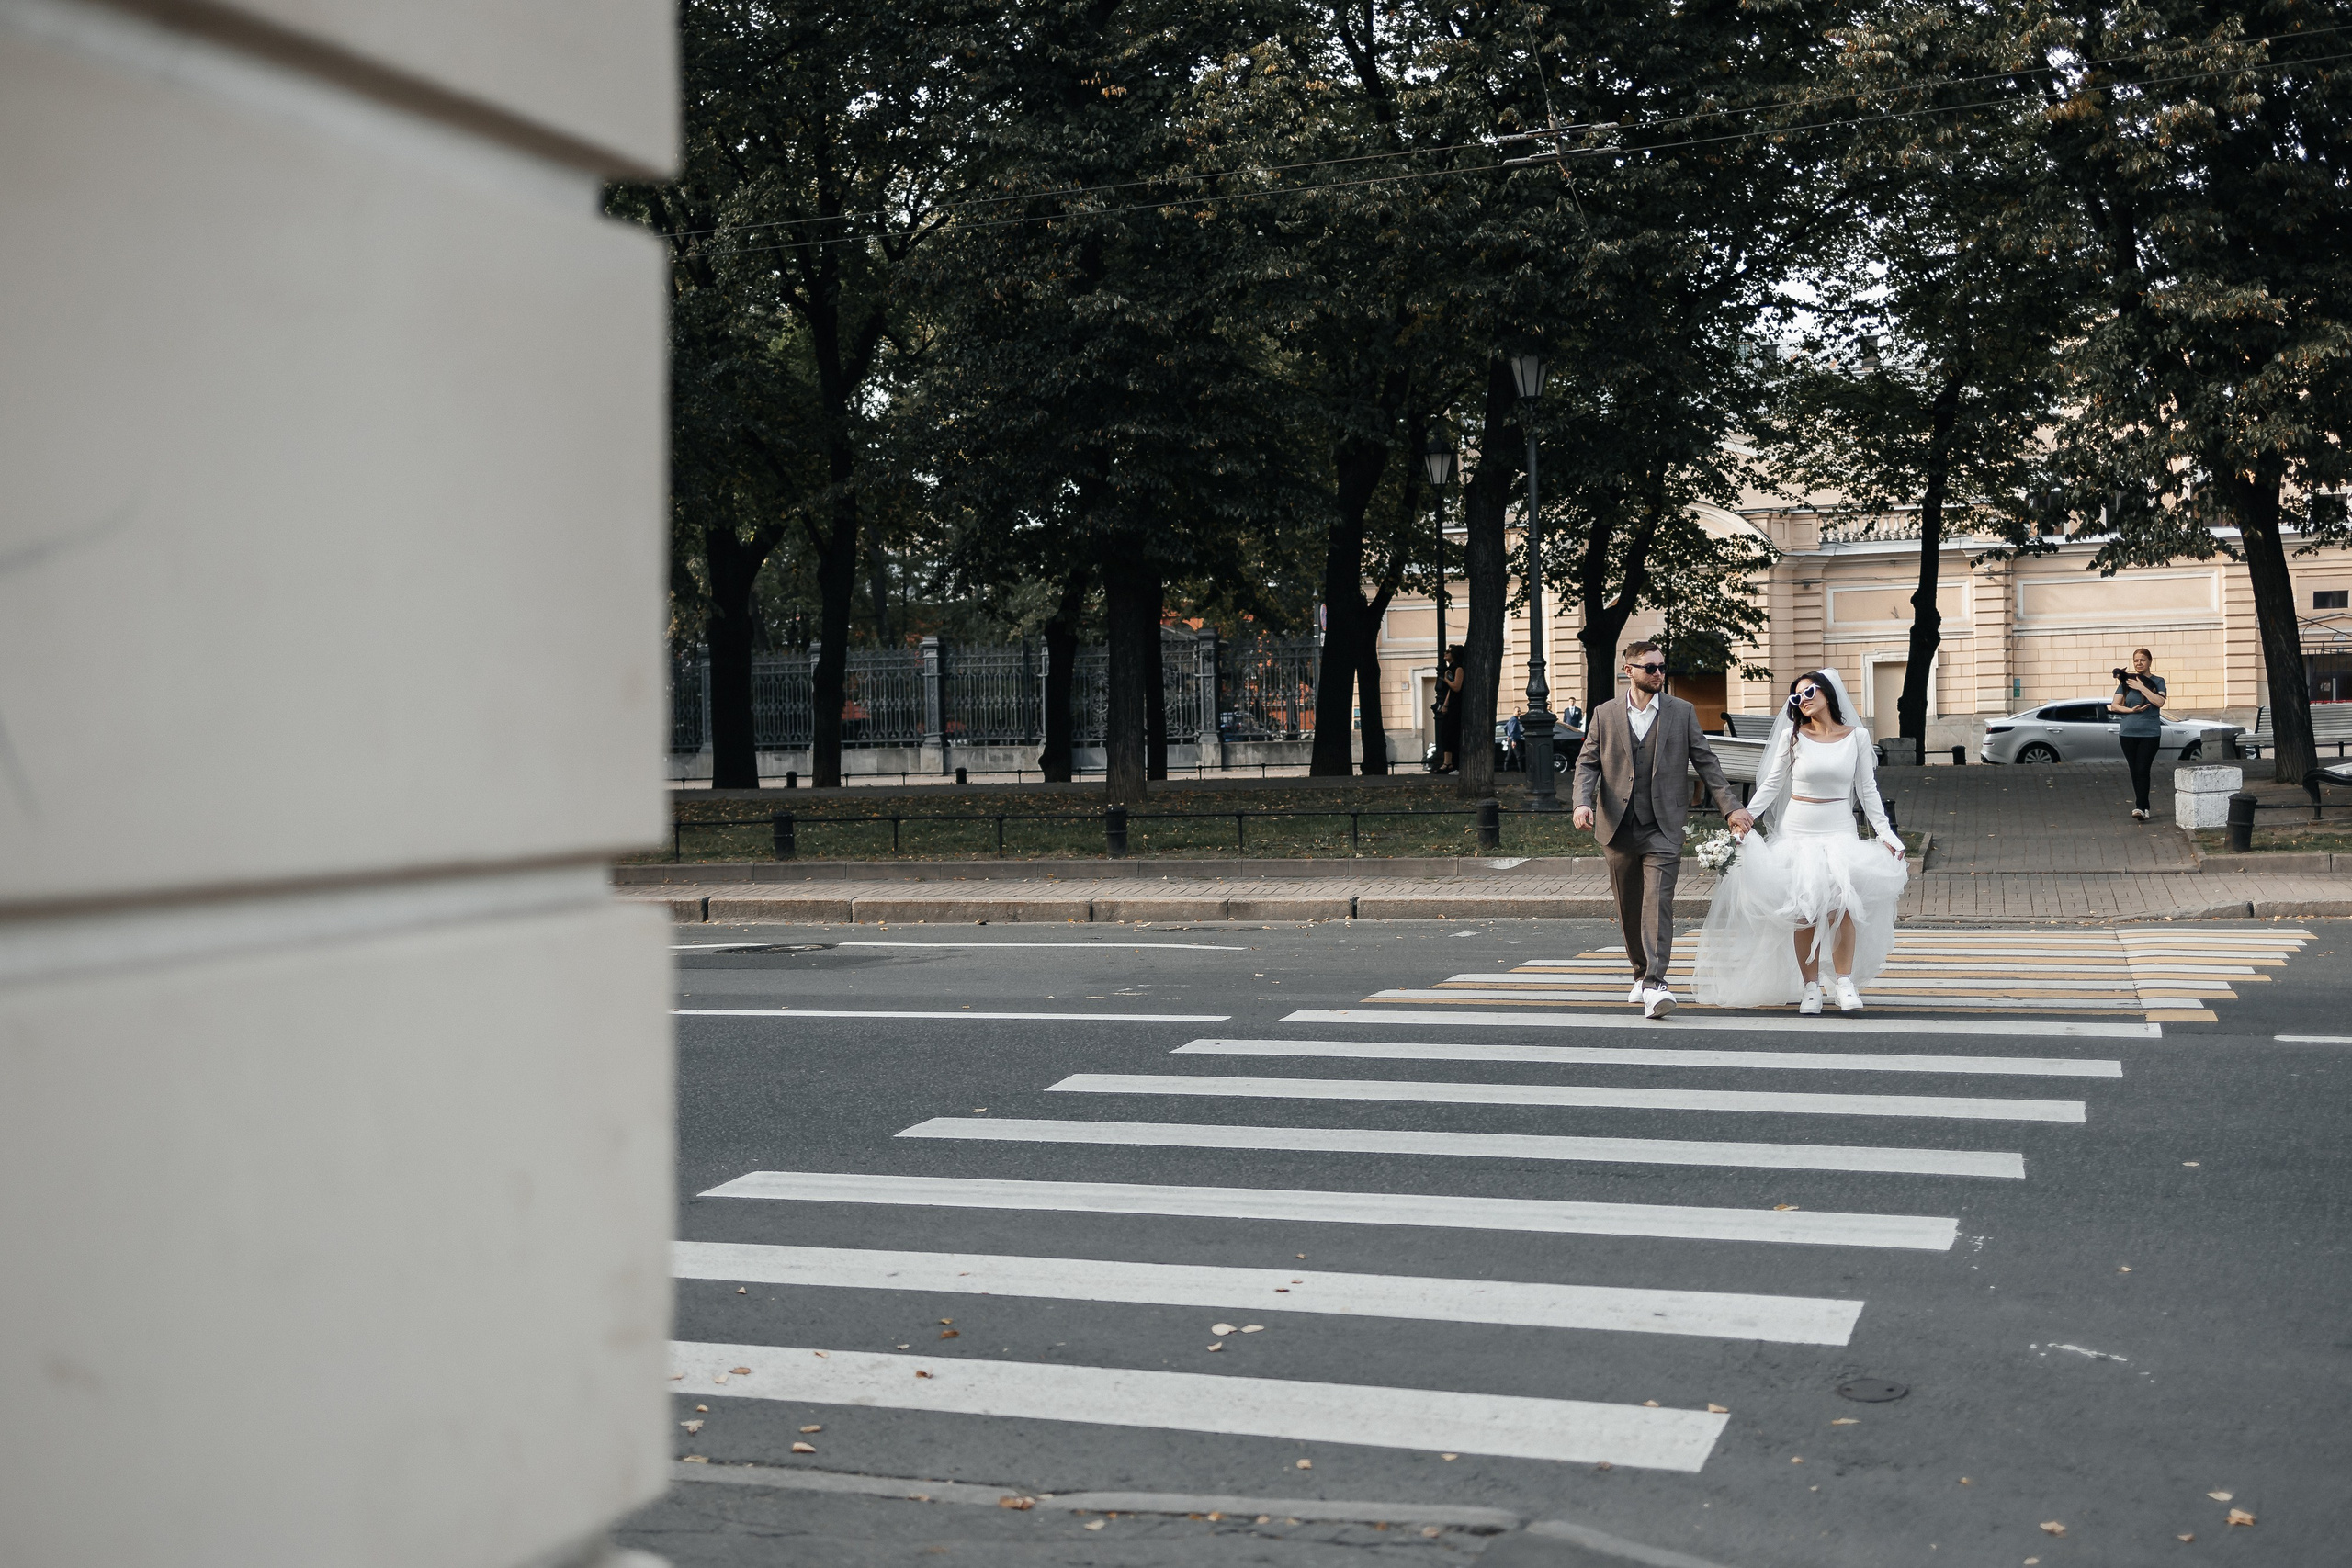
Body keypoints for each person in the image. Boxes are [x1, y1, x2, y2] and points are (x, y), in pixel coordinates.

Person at [1691, 669, 1909, 1015]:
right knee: (1804, 910)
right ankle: (1810, 988)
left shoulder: (1857, 738)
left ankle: (1844, 983)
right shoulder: (1792, 737)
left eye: (1808, 693)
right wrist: (1744, 819)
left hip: (1839, 828)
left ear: (1827, 694)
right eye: (1796, 697)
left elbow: (1868, 791)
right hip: (1798, 831)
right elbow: (1772, 784)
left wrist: (1886, 834)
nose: (1802, 701)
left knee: (1842, 907)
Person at [1573, 640, 1747, 1018]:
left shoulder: (1681, 712)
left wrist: (1730, 808)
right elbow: (1587, 764)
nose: (1658, 674)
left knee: (1658, 904)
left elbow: (1707, 763)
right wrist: (1582, 802)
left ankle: (1655, 983)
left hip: (1663, 826)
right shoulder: (1605, 714)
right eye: (1649, 667)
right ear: (1629, 670)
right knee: (1629, 905)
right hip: (1617, 827)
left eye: (1661, 667)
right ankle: (1640, 972)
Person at [2111, 648, 2167, 821]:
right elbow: (2114, 706)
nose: (2139, 663)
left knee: (2143, 768)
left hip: (2150, 734)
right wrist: (2130, 710)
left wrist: (2142, 688)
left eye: (2142, 660)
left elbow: (2160, 701)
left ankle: (2140, 806)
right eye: (2136, 660)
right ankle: (2143, 807)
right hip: (2127, 733)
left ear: (2150, 661)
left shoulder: (2158, 681)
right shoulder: (2126, 682)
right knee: (2135, 770)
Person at [1432, 645, 1465, 773]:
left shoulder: (1458, 669)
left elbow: (1456, 687)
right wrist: (1445, 704)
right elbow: (1450, 693)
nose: (1445, 653)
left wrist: (1446, 680)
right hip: (1451, 705)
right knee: (1446, 733)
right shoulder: (1451, 668)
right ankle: (1447, 763)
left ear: (1455, 654)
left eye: (1449, 651)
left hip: (1456, 706)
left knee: (1451, 734)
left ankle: (1451, 764)